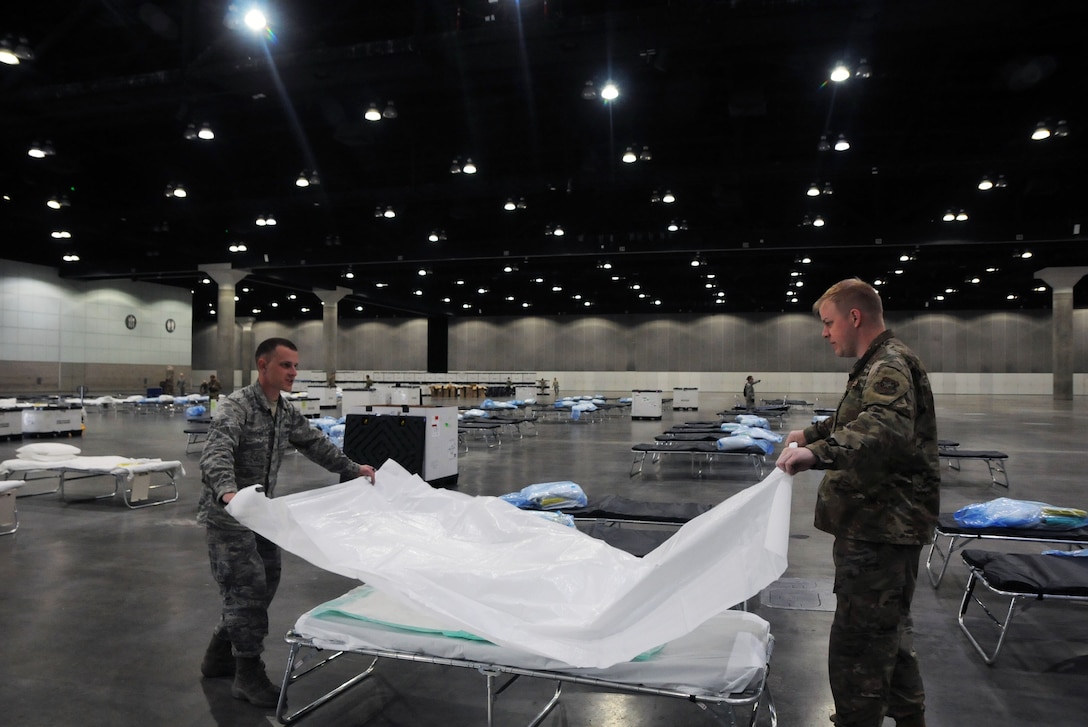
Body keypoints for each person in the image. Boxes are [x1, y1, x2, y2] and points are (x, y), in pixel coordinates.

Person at [775, 278, 939, 727]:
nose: (825, 333)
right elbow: (857, 415)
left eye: (829, 323)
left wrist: (816, 454)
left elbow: (884, 425)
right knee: (889, 635)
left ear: (854, 316)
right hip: (880, 525)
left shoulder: (889, 362)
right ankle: (909, 718)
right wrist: (808, 434)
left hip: (883, 527)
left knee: (858, 645)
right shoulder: (879, 363)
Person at [197, 337, 378, 708]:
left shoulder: (284, 410)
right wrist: (230, 495)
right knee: (246, 589)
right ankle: (246, 674)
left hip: (261, 514)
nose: (293, 372)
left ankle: (219, 654)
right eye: (285, 365)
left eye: (295, 365)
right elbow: (216, 454)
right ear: (263, 366)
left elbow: (314, 444)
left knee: (264, 585)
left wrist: (352, 468)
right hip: (229, 517)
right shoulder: (237, 407)